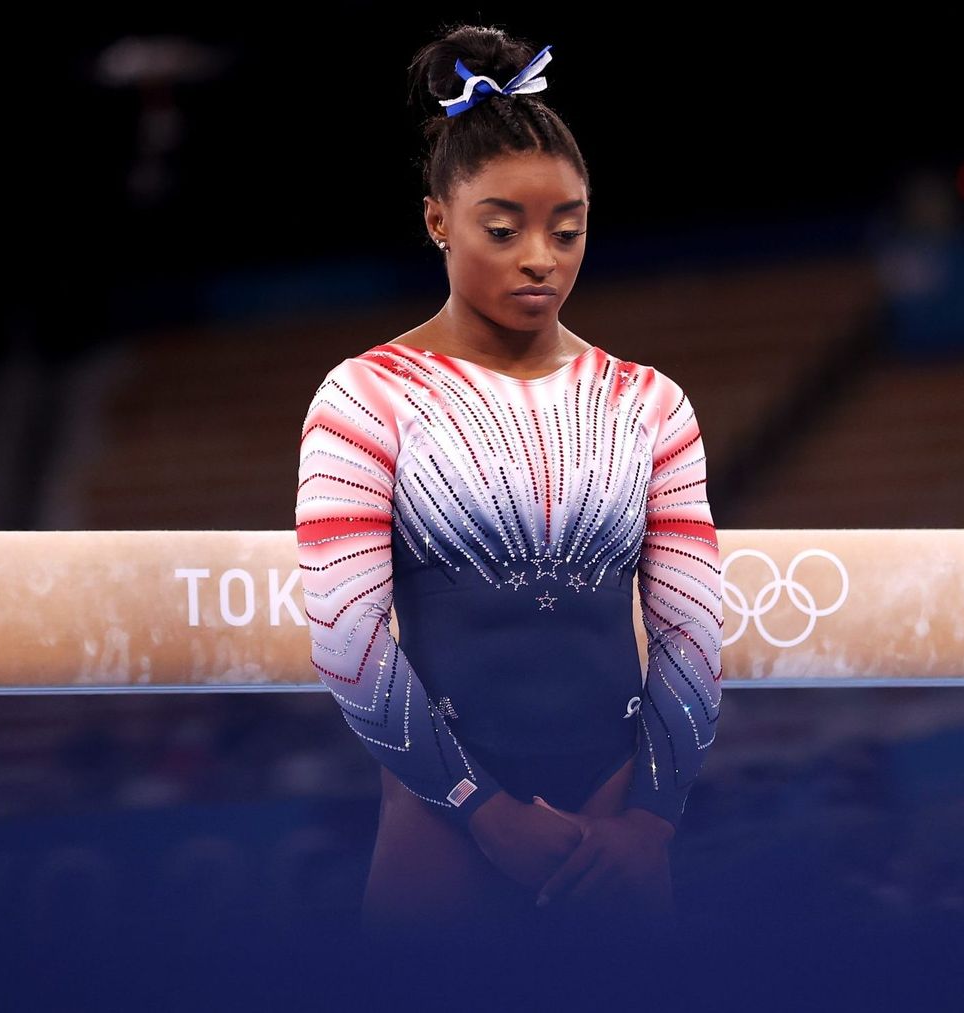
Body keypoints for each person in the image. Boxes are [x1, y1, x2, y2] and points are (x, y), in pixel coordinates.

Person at [294, 24, 724, 956]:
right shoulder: (367, 397)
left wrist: (653, 817)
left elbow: (692, 631)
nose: (541, 256)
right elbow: (345, 635)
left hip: (615, 829)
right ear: (437, 219)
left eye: (567, 230)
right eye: (504, 228)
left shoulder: (650, 403)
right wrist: (480, 809)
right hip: (441, 824)